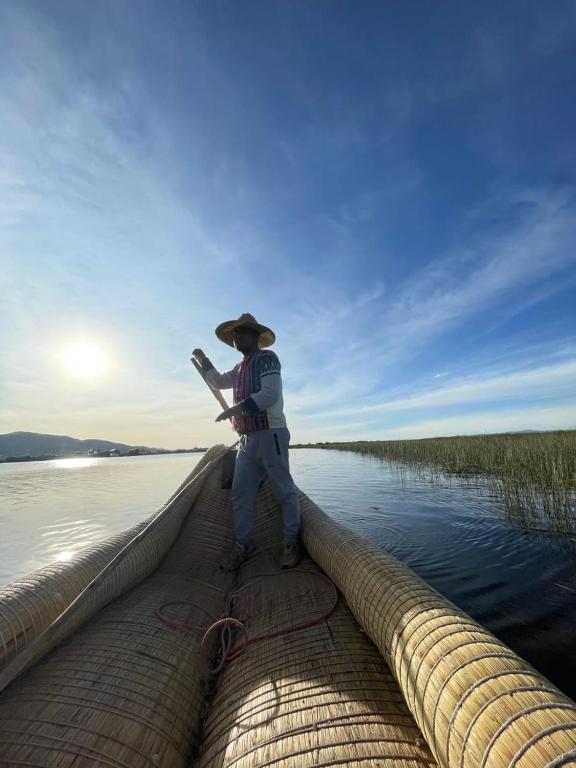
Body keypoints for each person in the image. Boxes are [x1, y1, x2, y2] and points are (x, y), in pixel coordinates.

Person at [192, 313, 301, 571]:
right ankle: (243, 545)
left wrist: (233, 411)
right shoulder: (240, 369)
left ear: (256, 336)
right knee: (240, 494)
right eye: (235, 335)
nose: (237, 337)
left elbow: (269, 394)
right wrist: (204, 361)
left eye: (242, 333)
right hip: (246, 440)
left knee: (284, 490)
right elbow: (218, 382)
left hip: (271, 434)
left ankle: (290, 541)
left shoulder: (267, 359)